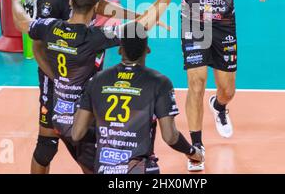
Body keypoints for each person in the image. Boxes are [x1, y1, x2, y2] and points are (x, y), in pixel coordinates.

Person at [9, 0, 194, 173]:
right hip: (85, 120)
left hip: (59, 116)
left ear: (70, 2)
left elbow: (23, 22)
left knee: (59, 152)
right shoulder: (93, 37)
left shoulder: (49, 27)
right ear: (95, 7)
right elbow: (140, 26)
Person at [154, 0, 271, 171]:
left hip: (224, 23)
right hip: (193, 20)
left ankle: (218, 106)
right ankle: (196, 147)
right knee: (196, 82)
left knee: (227, 90)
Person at [30, 0, 154, 174]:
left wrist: (133, 15)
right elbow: (38, 47)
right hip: (56, 82)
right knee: (47, 147)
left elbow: (97, 5)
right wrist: (57, 78)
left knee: (94, 142)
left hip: (85, 77)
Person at [72, 24, 203, 174]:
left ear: (120, 49)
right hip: (139, 168)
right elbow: (170, 137)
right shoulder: (159, 83)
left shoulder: (96, 80)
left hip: (104, 168)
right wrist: (192, 152)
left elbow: (77, 133)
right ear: (147, 50)